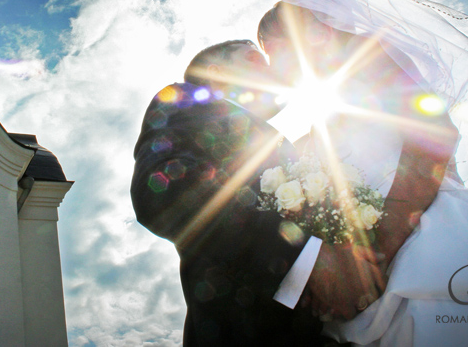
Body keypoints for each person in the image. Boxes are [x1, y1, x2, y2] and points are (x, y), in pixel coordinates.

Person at [258, 0, 468, 346]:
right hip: (357, 247)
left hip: (420, 228)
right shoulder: (325, 110)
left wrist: (383, 246)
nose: (275, 68)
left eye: (277, 51)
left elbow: (434, 134)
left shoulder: (373, 61)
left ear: (315, 31)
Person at [132, 39, 386, 346]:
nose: (271, 68)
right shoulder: (186, 100)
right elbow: (165, 195)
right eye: (254, 58)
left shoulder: (281, 142)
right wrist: (306, 261)